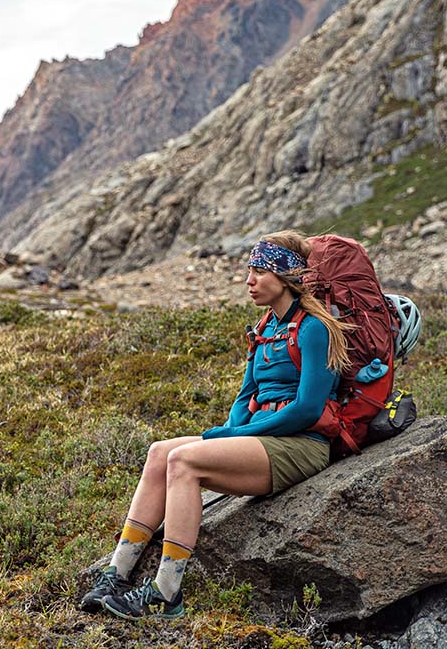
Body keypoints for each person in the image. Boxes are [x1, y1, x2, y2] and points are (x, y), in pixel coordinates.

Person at [80, 230, 350, 620]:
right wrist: (228, 432)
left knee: (185, 462)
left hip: (302, 445)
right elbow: (246, 397)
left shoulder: (315, 329)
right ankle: (116, 574)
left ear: (286, 276)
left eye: (259, 272)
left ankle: (165, 593)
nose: (249, 281)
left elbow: (308, 408)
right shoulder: (265, 329)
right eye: (249, 271)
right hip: (266, 439)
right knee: (160, 452)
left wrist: (236, 435)